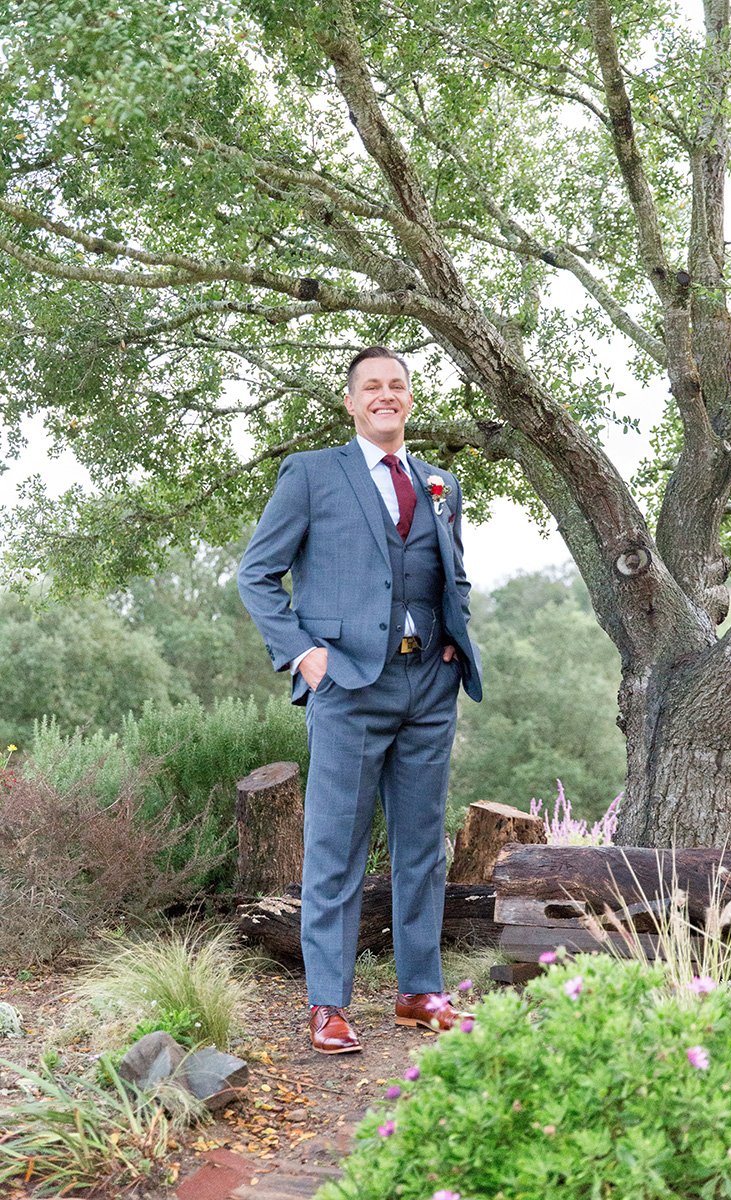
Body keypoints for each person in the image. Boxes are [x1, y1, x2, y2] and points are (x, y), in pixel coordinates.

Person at [238, 346, 482, 1054]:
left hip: (428, 686)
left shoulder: (441, 483)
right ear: (350, 402)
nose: (385, 395)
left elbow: (454, 575)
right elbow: (257, 575)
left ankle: (419, 992)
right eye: (371, 386)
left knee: (422, 846)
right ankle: (328, 1004)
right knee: (336, 849)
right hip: (345, 684)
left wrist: (451, 638)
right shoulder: (312, 474)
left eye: (396, 385)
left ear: (409, 398)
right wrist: (305, 655)